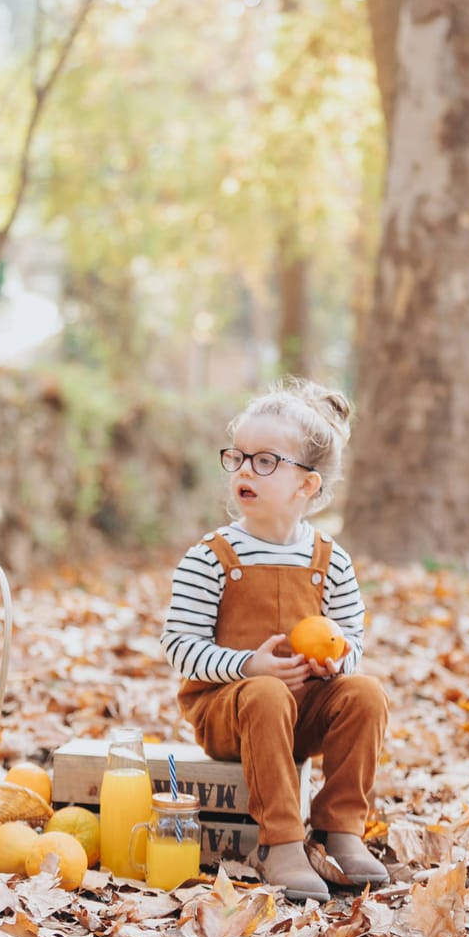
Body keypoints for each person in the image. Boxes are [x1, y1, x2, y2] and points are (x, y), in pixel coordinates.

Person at [160, 377, 389, 902]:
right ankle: (280, 843)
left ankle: (342, 830)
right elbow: (179, 644)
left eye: (265, 461)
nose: (245, 469)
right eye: (238, 457)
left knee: (366, 693)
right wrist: (248, 666)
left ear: (306, 486)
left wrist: (337, 663)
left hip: (301, 709)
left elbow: (351, 635)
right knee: (265, 694)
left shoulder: (330, 558)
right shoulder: (211, 556)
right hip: (230, 709)